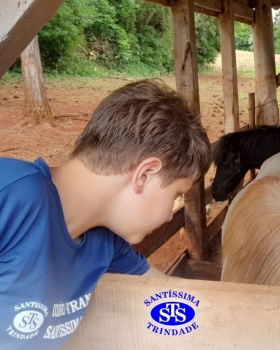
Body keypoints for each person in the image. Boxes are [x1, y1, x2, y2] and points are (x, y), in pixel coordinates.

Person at [0, 79, 211, 349]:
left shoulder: (105, 244)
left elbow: (170, 293)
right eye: (176, 196)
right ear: (145, 175)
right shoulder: (12, 194)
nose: (169, 217)